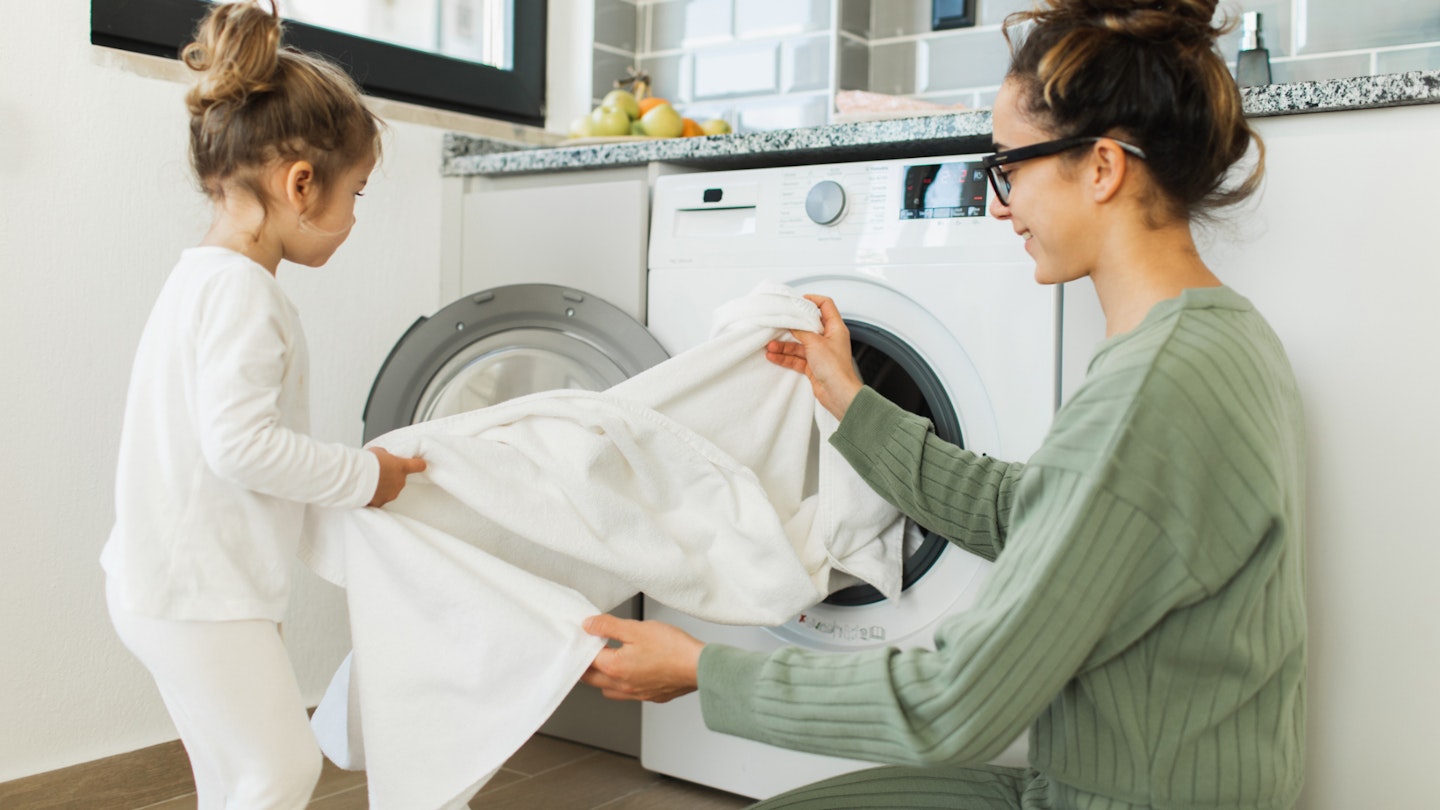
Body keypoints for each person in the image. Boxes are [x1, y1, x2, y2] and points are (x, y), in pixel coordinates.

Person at [581, 0, 1306, 807]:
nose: (998, 204)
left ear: (1102, 168)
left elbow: (954, 702)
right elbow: (1039, 513)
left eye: (1009, 167)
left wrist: (699, 669)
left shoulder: (1150, 390)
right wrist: (853, 402)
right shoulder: (1220, 338)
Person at [101, 2, 426, 806]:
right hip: (197, 591)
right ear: (300, 184)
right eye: (357, 192)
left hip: (174, 582)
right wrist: (367, 475)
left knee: (234, 773)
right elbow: (242, 446)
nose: (353, 217)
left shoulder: (202, 278)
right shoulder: (245, 294)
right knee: (279, 770)